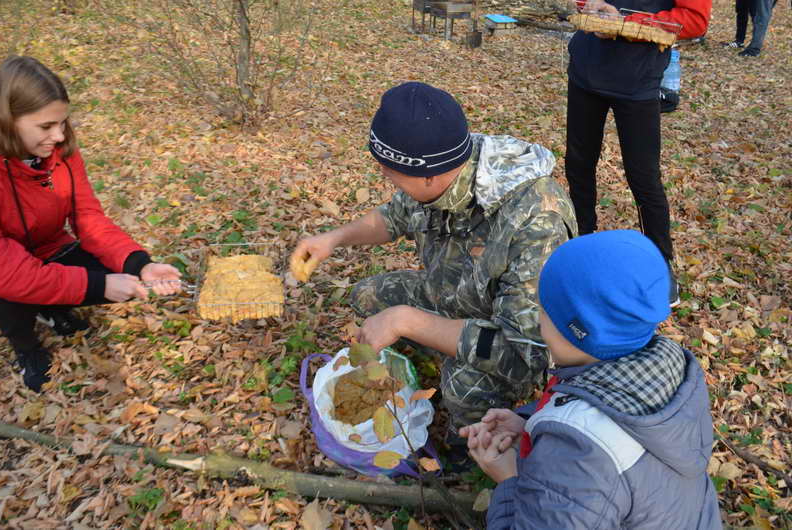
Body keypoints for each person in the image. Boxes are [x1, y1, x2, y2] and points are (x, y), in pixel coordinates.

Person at [291, 81, 577, 465]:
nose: (383, 175)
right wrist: (334, 238)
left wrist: (407, 321)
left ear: (428, 176)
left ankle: (470, 456)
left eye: (390, 171)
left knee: (463, 386)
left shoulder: (535, 219)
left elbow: (524, 352)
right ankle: (422, 368)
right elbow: (393, 217)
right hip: (454, 297)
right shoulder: (442, 163)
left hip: (507, 343)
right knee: (368, 296)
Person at [460, 230, 722, 529]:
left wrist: (510, 480)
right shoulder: (669, 370)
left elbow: (588, 453)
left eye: (544, 312)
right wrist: (532, 424)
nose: (538, 321)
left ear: (575, 332)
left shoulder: (580, 458)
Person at [0, 56, 182, 392]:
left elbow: (87, 216)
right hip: (0, 271)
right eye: (46, 126)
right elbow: (4, 268)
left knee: (118, 276)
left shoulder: (60, 151)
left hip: (50, 248)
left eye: (62, 123)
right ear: (5, 120)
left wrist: (140, 264)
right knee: (7, 295)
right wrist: (95, 286)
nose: (59, 134)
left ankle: (52, 306)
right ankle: (27, 348)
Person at [564, 0, 711, 306]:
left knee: (643, 174)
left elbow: (694, 20)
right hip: (587, 68)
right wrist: (589, 9)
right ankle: (581, 240)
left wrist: (625, 22)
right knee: (579, 161)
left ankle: (659, 261)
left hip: (638, 78)